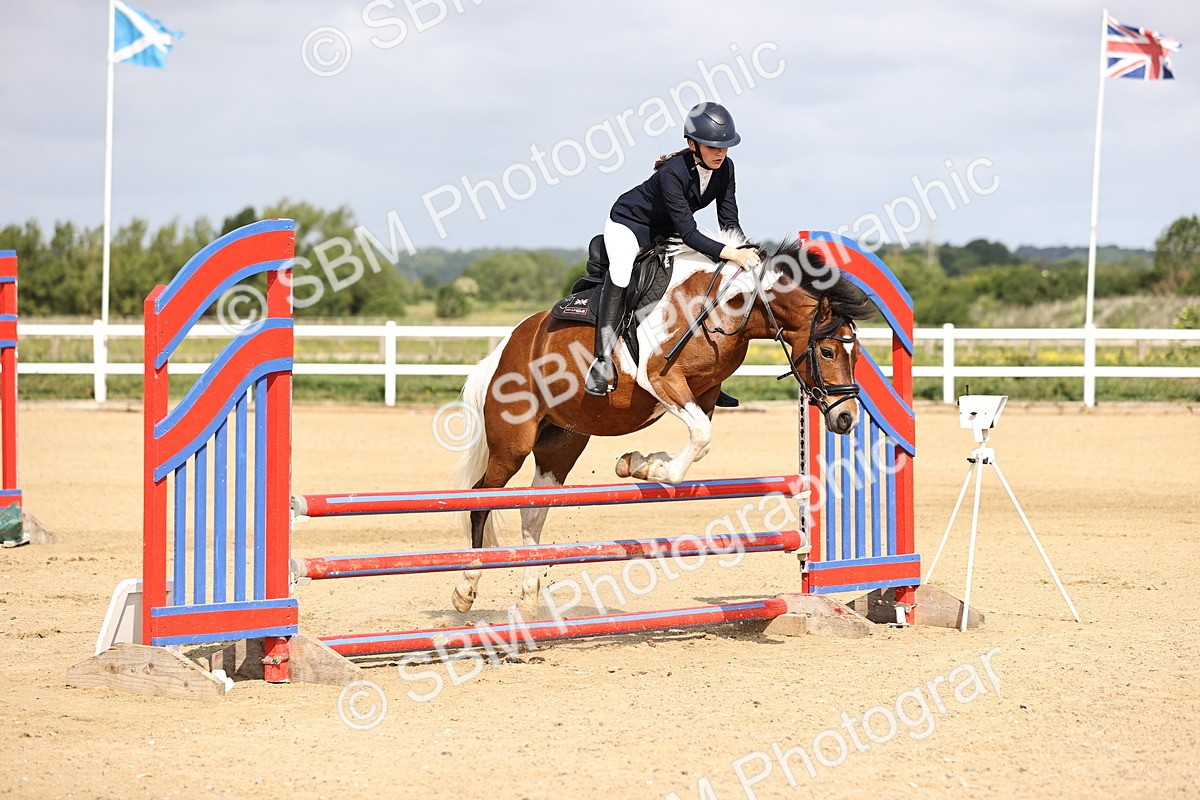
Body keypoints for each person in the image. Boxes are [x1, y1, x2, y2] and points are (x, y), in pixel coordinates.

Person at [584, 102, 761, 406]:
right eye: (712, 146)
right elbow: (691, 234)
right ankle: (601, 361)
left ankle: (708, 377)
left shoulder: (725, 170)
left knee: (706, 273)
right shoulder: (672, 173)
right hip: (630, 224)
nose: (721, 153)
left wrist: (744, 251)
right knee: (624, 270)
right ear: (693, 144)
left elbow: (729, 222)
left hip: (669, 230)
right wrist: (732, 253)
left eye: (725, 147)